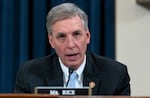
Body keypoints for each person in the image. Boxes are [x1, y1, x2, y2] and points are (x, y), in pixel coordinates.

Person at [14, 3, 130, 95]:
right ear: (51, 41)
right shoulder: (29, 74)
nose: (70, 44)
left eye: (76, 34)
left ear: (87, 37)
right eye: (62, 36)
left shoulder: (115, 75)